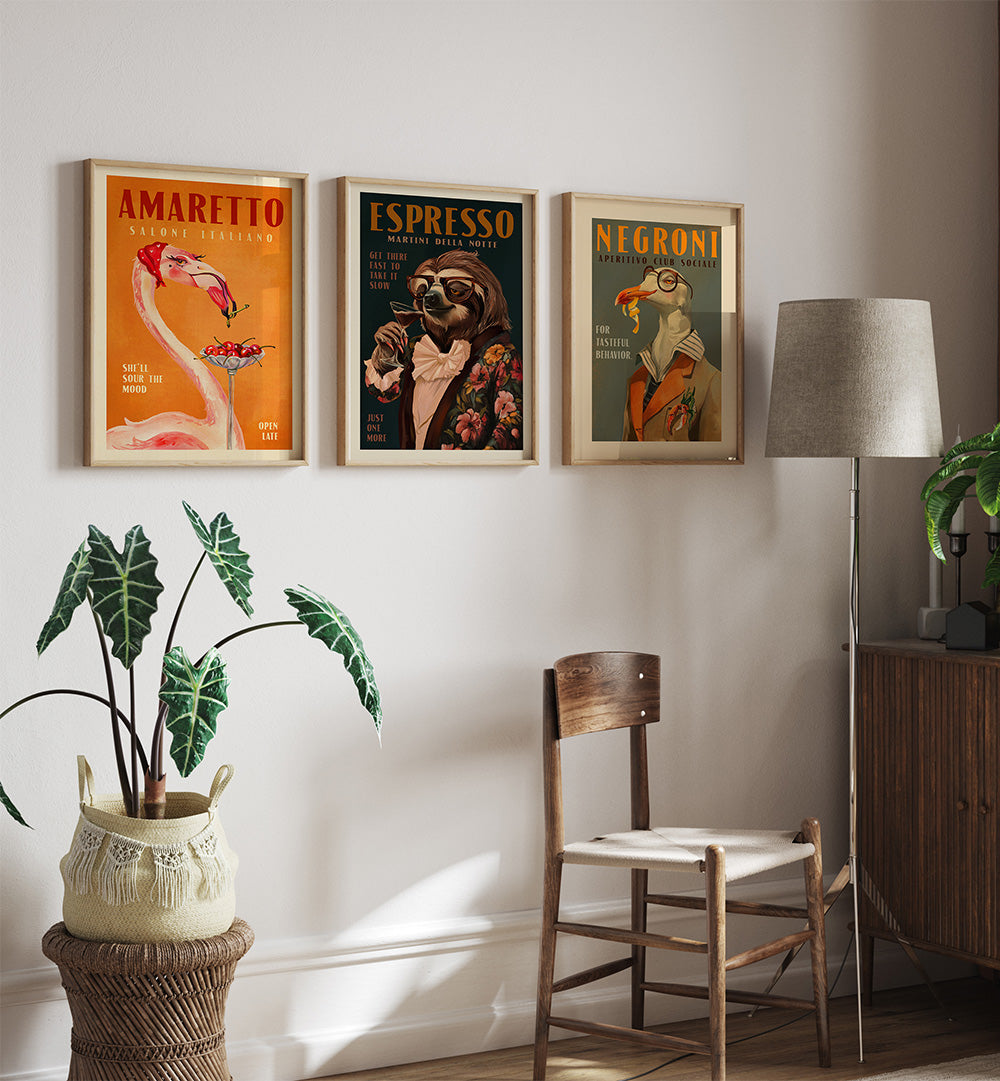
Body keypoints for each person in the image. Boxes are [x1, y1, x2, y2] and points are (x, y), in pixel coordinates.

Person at [365, 250, 523, 450]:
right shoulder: (417, 348)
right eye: (424, 290)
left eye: (456, 290)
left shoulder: (500, 357)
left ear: (484, 298)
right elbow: (384, 392)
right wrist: (385, 357)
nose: (431, 298)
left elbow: (511, 430)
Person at [615, 267, 721, 441]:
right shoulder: (636, 380)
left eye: (668, 281)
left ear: (684, 297)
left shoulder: (712, 381)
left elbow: (715, 453)